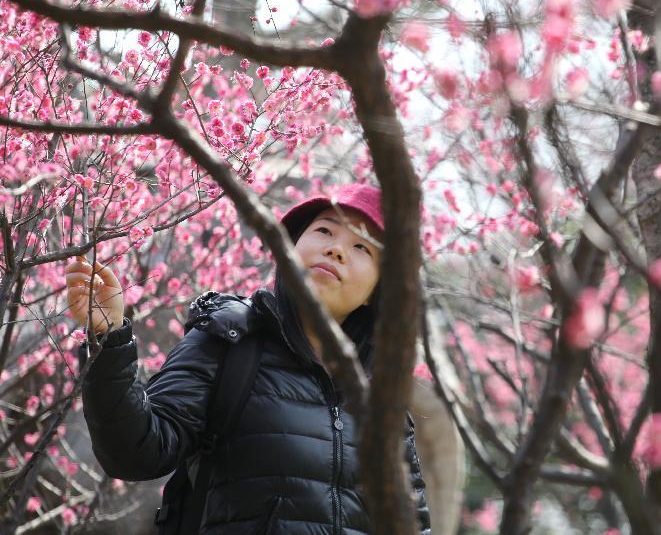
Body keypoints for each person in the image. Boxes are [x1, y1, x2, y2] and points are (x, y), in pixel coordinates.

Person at [66, 183, 431, 534]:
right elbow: (138, 451)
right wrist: (108, 338)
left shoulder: (382, 404)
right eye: (324, 230)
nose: (336, 250)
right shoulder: (230, 339)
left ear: (376, 291)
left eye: (361, 248)